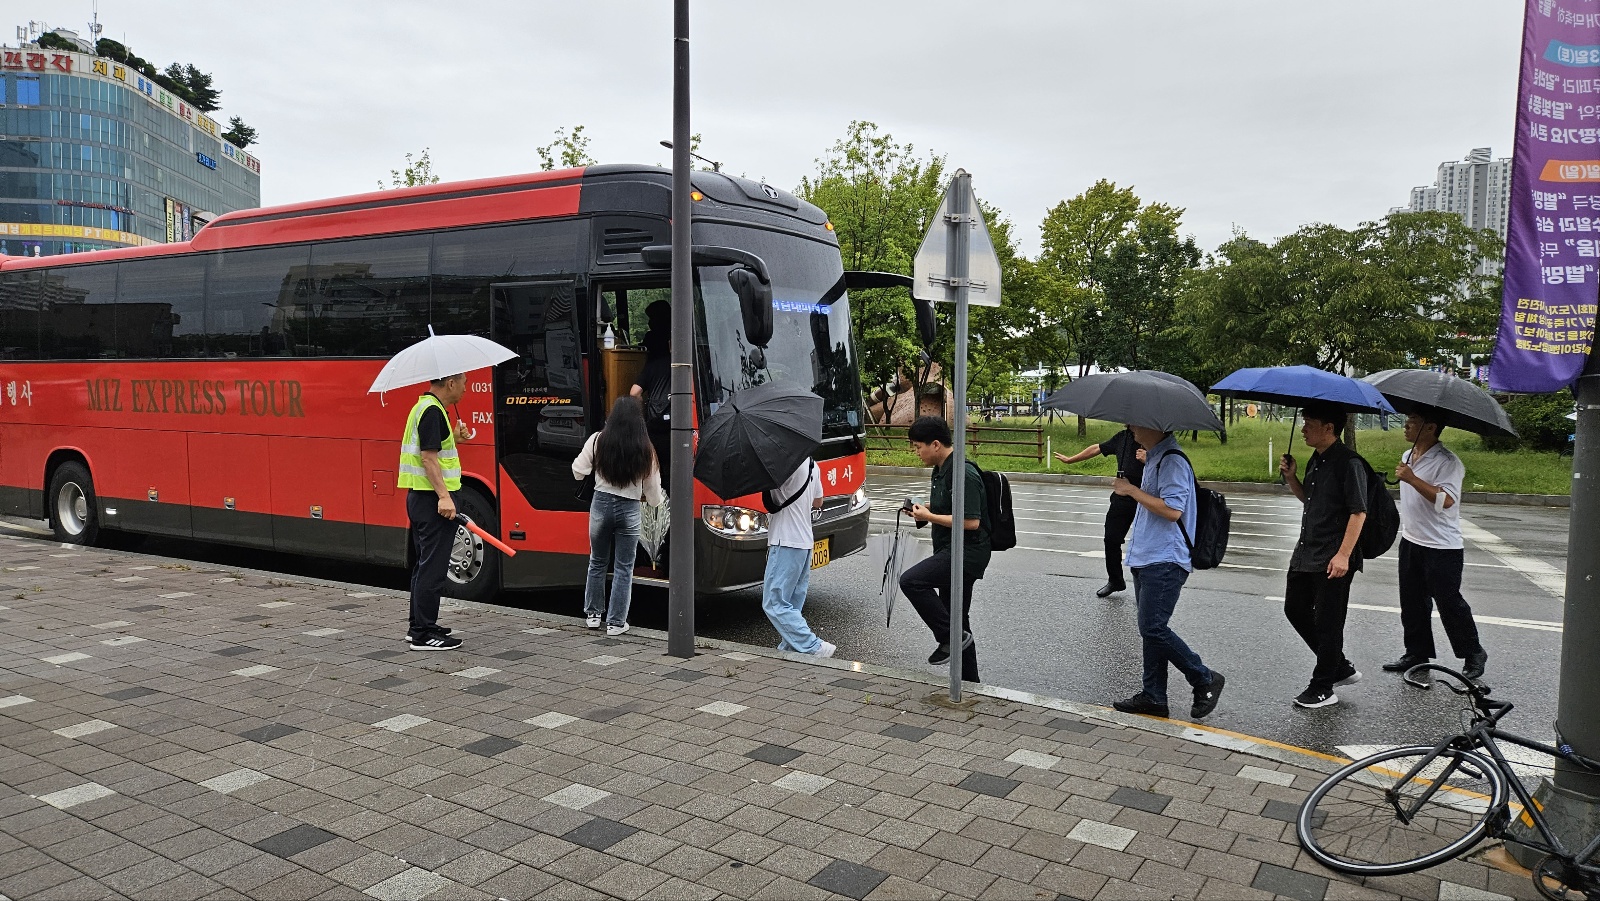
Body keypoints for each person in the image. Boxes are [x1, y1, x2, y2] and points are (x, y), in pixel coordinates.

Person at [1108, 425, 1225, 719]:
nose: (1131, 427)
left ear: (1155, 425)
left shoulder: (1172, 460)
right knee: (1151, 631)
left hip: (1165, 558)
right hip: (1147, 555)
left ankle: (1203, 677)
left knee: (1153, 627)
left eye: (1136, 422)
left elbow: (1173, 510)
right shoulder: (1156, 457)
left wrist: (1132, 490)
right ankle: (1154, 696)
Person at [1383, 409, 1488, 680]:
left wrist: (1412, 479)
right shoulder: (1408, 457)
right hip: (1412, 540)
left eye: (1412, 422)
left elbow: (1447, 501)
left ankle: (1473, 652)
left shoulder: (1448, 462)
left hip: (1442, 546)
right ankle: (1416, 653)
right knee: (1412, 601)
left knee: (1449, 602)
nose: (1405, 426)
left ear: (1430, 428)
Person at [1279, 404, 1368, 708]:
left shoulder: (1349, 463)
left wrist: (1343, 555)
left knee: (1329, 621)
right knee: (1295, 609)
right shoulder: (1316, 460)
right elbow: (1311, 500)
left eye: (1310, 423)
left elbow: (1359, 512)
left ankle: (1323, 685)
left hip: (1334, 555)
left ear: (1329, 428)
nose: (1303, 429)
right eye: (1303, 423)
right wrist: (1292, 478)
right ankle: (1339, 666)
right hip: (1307, 551)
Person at [899, 416, 990, 683]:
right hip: (950, 548)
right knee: (957, 619)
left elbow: (970, 521)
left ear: (936, 444)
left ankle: (950, 637)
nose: (917, 453)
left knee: (911, 581)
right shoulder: (940, 470)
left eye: (918, 447)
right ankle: (970, 684)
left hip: (967, 552)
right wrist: (922, 509)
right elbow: (947, 507)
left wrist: (929, 516)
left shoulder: (963, 472)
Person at [572, 395, 663, 636]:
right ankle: (615, 622)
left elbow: (577, 471)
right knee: (624, 567)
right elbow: (654, 493)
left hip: (601, 504)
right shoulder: (645, 449)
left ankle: (593, 615)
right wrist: (650, 500)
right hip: (630, 508)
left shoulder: (597, 440)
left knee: (598, 561)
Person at [399, 373, 467, 651]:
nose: (465, 388)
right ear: (450, 384)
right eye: (463, 382)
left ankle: (419, 625)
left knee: (424, 565)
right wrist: (444, 497)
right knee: (433, 568)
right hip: (431, 501)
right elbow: (428, 459)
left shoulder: (425, 407)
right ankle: (424, 634)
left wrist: (457, 439)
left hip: (420, 498)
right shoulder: (432, 412)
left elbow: (433, 452)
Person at [1055, 426, 1147, 597]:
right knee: (1111, 539)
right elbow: (1098, 447)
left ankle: (1144, 588)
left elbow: (1165, 467)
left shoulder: (1153, 439)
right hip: (1121, 496)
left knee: (1143, 544)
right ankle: (1115, 580)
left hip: (1146, 499)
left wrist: (1148, 459)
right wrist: (1070, 460)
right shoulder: (1123, 437)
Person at [761, 456, 835, 658]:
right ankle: (791, 646)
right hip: (804, 541)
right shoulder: (812, 463)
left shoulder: (779, 465)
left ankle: (813, 646)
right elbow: (818, 501)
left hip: (785, 540)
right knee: (792, 604)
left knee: (774, 602)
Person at [631, 301, 673, 486]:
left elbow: (634, 392)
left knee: (655, 466)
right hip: (675, 422)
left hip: (655, 420)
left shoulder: (652, 365)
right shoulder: (686, 368)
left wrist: (642, 414)